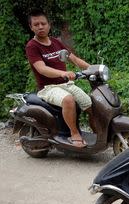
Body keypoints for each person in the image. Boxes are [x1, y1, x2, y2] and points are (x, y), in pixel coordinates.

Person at [25, 8, 94, 148]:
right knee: (68, 99)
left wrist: (94, 68)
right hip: (48, 88)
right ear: (31, 27)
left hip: (66, 85)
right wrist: (62, 73)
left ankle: (98, 131)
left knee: (89, 104)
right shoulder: (32, 46)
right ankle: (74, 134)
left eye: (43, 23)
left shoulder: (56, 42)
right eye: (36, 24)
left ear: (49, 24)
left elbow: (74, 58)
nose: (40, 27)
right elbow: (41, 69)